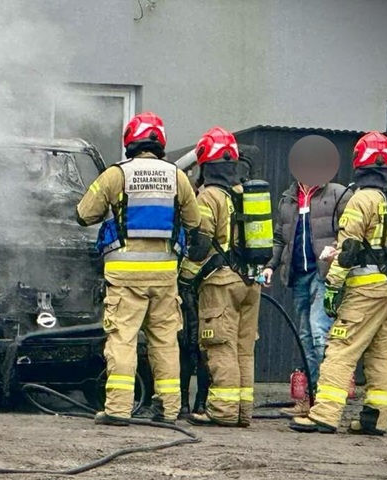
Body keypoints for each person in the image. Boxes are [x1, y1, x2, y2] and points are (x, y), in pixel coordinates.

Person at [76, 112, 203, 425]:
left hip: (124, 276)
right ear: (160, 141)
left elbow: (84, 214)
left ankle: (119, 409)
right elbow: (194, 221)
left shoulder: (115, 175)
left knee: (122, 339)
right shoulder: (177, 176)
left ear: (130, 141)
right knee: (165, 341)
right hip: (164, 276)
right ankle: (169, 409)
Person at [290, 131, 387, 435]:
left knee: (341, 347)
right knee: (383, 354)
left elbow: (347, 250)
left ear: (360, 161)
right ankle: (375, 418)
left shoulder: (362, 200)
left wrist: (332, 287)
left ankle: (325, 415)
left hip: (367, 290)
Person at [179, 127, 260, 428]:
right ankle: (243, 411)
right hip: (250, 282)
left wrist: (184, 277)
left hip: (221, 282)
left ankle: (223, 411)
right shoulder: (247, 193)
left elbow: (200, 245)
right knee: (243, 349)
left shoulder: (209, 195)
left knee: (219, 346)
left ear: (204, 162)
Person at [261, 178, 350, 416]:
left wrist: (336, 249)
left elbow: (350, 232)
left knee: (319, 332)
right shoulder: (288, 198)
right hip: (299, 275)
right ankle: (308, 402)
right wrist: (270, 265)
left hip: (324, 273)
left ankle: (327, 402)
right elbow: (280, 238)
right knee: (306, 338)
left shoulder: (338, 195)